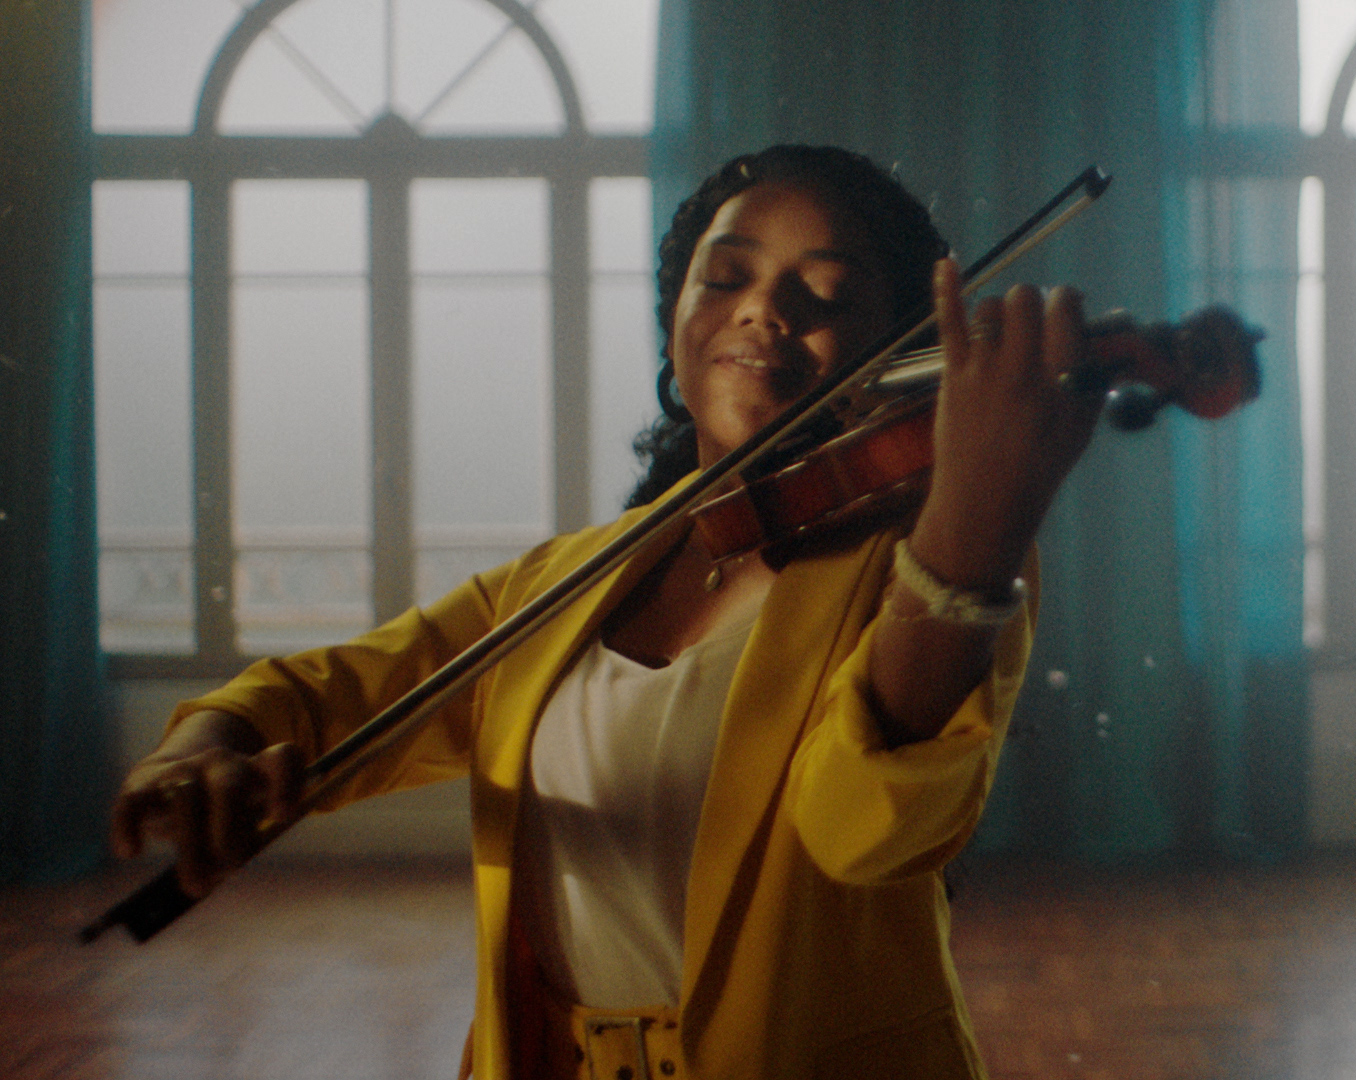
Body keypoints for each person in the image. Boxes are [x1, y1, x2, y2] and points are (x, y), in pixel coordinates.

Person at [107, 145, 1105, 1079]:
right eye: (727, 278)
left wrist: (973, 530)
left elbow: (865, 835)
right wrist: (205, 741)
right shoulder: (572, 580)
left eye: (827, 293)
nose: (765, 311)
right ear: (678, 321)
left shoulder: (932, 570)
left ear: (899, 352)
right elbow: (332, 694)